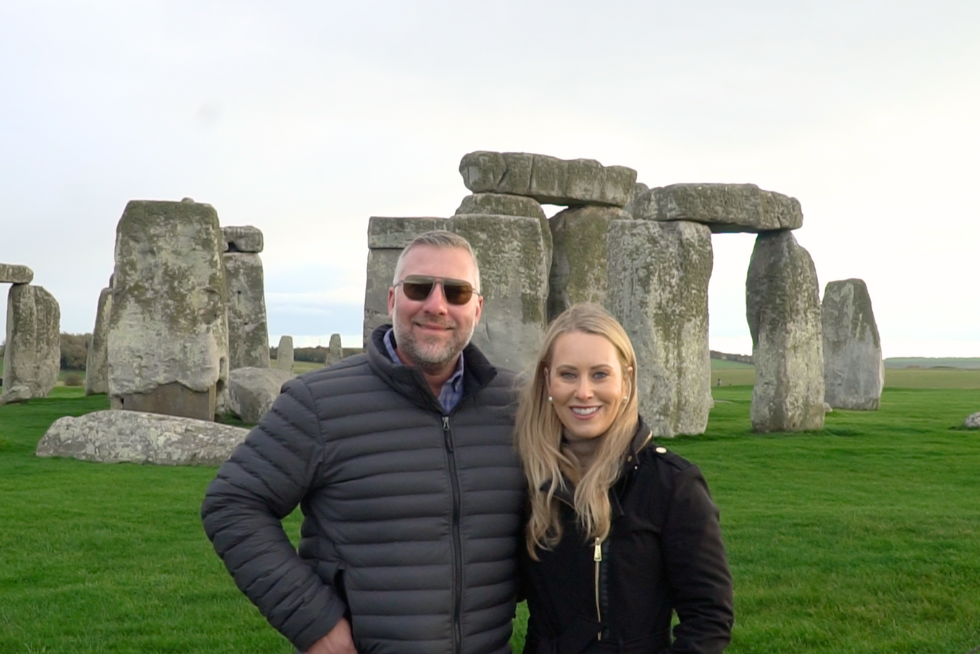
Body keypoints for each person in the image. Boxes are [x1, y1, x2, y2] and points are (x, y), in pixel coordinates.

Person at [201, 230, 526, 654]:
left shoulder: (517, 403)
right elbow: (232, 504)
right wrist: (315, 624)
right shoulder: (319, 402)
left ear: (477, 308)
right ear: (392, 300)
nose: (436, 305)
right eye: (418, 288)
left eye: (457, 292)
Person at [515, 303, 734, 654]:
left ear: (626, 380)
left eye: (600, 374)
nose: (584, 392)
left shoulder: (672, 485)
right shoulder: (530, 479)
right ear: (547, 381)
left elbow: (709, 619)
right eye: (568, 374)